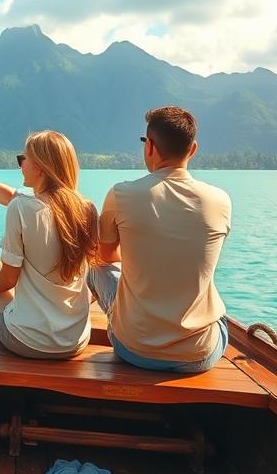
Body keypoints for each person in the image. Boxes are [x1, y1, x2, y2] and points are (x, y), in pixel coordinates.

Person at [89, 106, 231, 373]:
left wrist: (135, 257)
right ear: (193, 149)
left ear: (150, 146)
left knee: (96, 271)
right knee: (217, 311)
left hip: (132, 349)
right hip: (197, 355)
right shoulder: (220, 200)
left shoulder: (121, 195)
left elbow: (104, 258)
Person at [0, 130, 98, 359]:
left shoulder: (20, 208)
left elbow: (9, 278)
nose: (21, 165)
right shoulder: (86, 209)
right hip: (75, 342)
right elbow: (11, 195)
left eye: (23, 159)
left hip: (27, 342)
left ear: (39, 166)